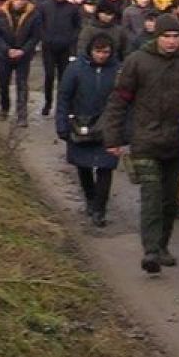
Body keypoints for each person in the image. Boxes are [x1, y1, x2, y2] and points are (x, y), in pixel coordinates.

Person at [103, 13, 179, 274]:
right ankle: (151, 250)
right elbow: (119, 100)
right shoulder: (137, 61)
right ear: (157, 37)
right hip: (145, 140)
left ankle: (162, 245)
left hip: (178, 144)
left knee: (169, 200)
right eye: (166, 36)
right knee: (151, 196)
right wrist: (113, 136)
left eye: (176, 36)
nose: (171, 41)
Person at [57, 33, 123, 227]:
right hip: (80, 124)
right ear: (90, 50)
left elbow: (125, 101)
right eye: (98, 51)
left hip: (108, 125)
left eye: (106, 52)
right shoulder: (75, 69)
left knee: (106, 167)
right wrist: (62, 125)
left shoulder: (118, 71)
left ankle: (100, 209)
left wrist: (124, 130)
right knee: (83, 165)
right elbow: (64, 97)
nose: (101, 56)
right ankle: (90, 198)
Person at [0, 0, 44, 124]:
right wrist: (7, 50)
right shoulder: (1, 12)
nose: (20, 2)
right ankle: (4, 108)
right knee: (3, 83)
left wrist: (23, 50)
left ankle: (22, 114)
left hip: (23, 54)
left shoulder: (34, 14)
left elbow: (36, 36)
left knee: (22, 84)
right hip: (4, 54)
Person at [38, 0, 84, 117]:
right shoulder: (45, 6)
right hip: (48, 47)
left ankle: (62, 105)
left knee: (64, 78)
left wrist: (71, 39)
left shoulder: (72, 8)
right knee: (49, 76)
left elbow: (78, 26)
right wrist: (44, 38)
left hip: (65, 48)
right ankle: (48, 103)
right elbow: (39, 24)